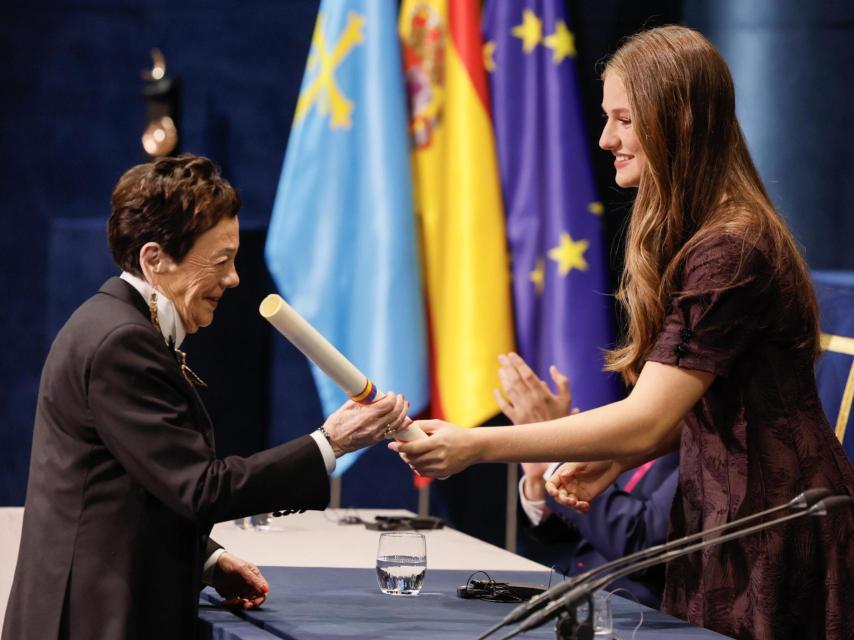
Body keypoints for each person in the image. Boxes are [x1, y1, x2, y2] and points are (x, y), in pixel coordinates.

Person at [392, 26, 854, 640]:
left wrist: (478, 447)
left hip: (771, 529)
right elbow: (709, 407)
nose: (606, 138)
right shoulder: (713, 235)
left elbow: (650, 416)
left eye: (624, 119)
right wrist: (613, 460)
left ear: (681, 119)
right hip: (730, 518)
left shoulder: (729, 249)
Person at [3, 154, 411, 640]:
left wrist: (209, 560)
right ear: (155, 260)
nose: (234, 278)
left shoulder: (116, 323)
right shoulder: (122, 342)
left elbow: (134, 486)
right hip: (92, 620)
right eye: (221, 261)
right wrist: (331, 442)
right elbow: (200, 488)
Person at [496, 353, 678, 608]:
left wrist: (554, 449)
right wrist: (541, 477)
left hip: (636, 617)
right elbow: (571, 528)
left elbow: (642, 544)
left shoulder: (712, 447)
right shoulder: (632, 422)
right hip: (571, 596)